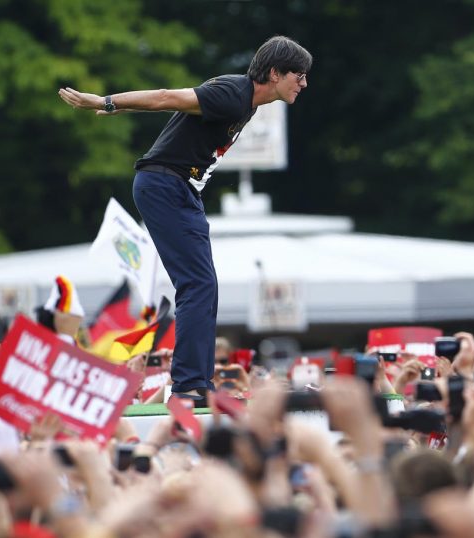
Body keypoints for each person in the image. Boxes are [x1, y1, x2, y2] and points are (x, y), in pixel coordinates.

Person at [57, 36, 312, 405]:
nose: (303, 83)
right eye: (299, 75)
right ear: (274, 73)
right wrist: (107, 102)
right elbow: (165, 97)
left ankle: (196, 381)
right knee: (198, 284)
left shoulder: (247, 102)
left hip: (179, 191)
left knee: (204, 285)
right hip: (164, 185)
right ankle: (189, 384)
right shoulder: (234, 94)